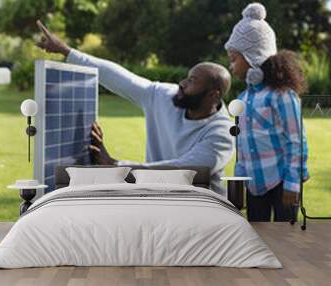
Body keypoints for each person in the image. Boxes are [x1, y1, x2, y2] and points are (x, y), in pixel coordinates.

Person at [36, 20, 234, 196]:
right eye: (187, 77)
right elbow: (121, 78)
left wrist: (117, 167)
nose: (182, 83)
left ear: (213, 94)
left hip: (202, 207)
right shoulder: (164, 96)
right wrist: (67, 51)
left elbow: (184, 171)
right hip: (158, 198)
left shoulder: (222, 133)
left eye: (192, 81)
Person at [224, 3, 309, 221]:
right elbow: (241, 148)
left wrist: (293, 183)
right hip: (254, 184)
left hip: (282, 182)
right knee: (258, 237)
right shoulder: (242, 99)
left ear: (253, 56)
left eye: (234, 59)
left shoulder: (282, 96)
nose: (231, 66)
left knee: (285, 240)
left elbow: (296, 141)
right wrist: (239, 184)